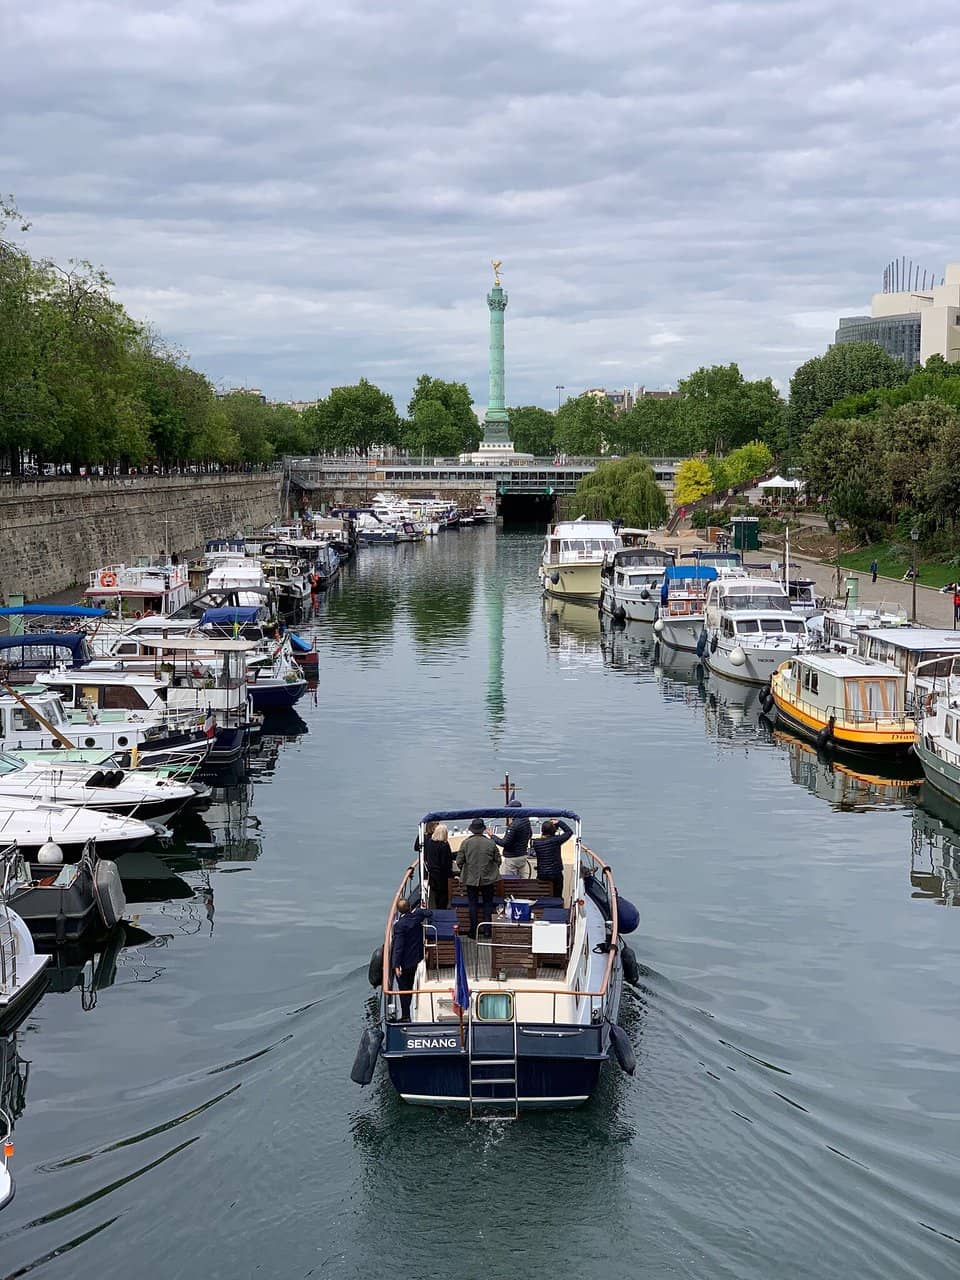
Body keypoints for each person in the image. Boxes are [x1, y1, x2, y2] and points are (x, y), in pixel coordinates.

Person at [455, 817, 501, 938]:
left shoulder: (465, 843)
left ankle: (473, 931)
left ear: (472, 830)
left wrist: (465, 870)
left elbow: (459, 861)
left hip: (470, 879)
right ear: (483, 830)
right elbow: (498, 860)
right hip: (488, 879)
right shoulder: (491, 843)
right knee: (488, 904)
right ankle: (487, 931)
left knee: (472, 904)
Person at [391, 897, 432, 1021]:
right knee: (412, 982)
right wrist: (421, 909)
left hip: (406, 962)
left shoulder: (400, 926)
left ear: (399, 911)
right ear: (410, 907)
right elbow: (429, 913)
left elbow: (399, 946)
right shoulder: (418, 915)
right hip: (418, 957)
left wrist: (396, 965)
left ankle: (405, 1015)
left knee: (404, 988)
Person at [530, 817, 575, 899]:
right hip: (555, 874)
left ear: (542, 830)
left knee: (544, 893)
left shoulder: (536, 843)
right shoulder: (556, 840)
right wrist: (558, 822)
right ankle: (557, 904)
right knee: (557, 895)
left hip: (542, 874)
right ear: (554, 831)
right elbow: (569, 832)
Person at [492, 800, 532, 878]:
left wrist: (492, 836)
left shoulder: (513, 825)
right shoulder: (526, 821)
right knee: (521, 880)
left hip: (512, 858)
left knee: (511, 881)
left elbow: (504, 843)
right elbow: (530, 834)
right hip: (523, 855)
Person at [423, 822, 454, 908]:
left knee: (436, 893)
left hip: (433, 873)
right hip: (442, 875)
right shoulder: (444, 845)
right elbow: (445, 863)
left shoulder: (430, 843)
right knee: (443, 894)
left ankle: (437, 907)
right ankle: (443, 909)